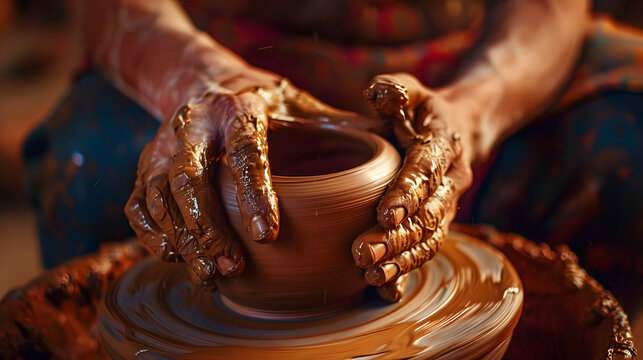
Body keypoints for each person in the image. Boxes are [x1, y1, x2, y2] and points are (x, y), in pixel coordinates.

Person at [23, 0, 642, 311]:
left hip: (471, 66)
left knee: (625, 153)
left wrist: (474, 113)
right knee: (91, 161)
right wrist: (199, 79)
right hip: (219, 59)